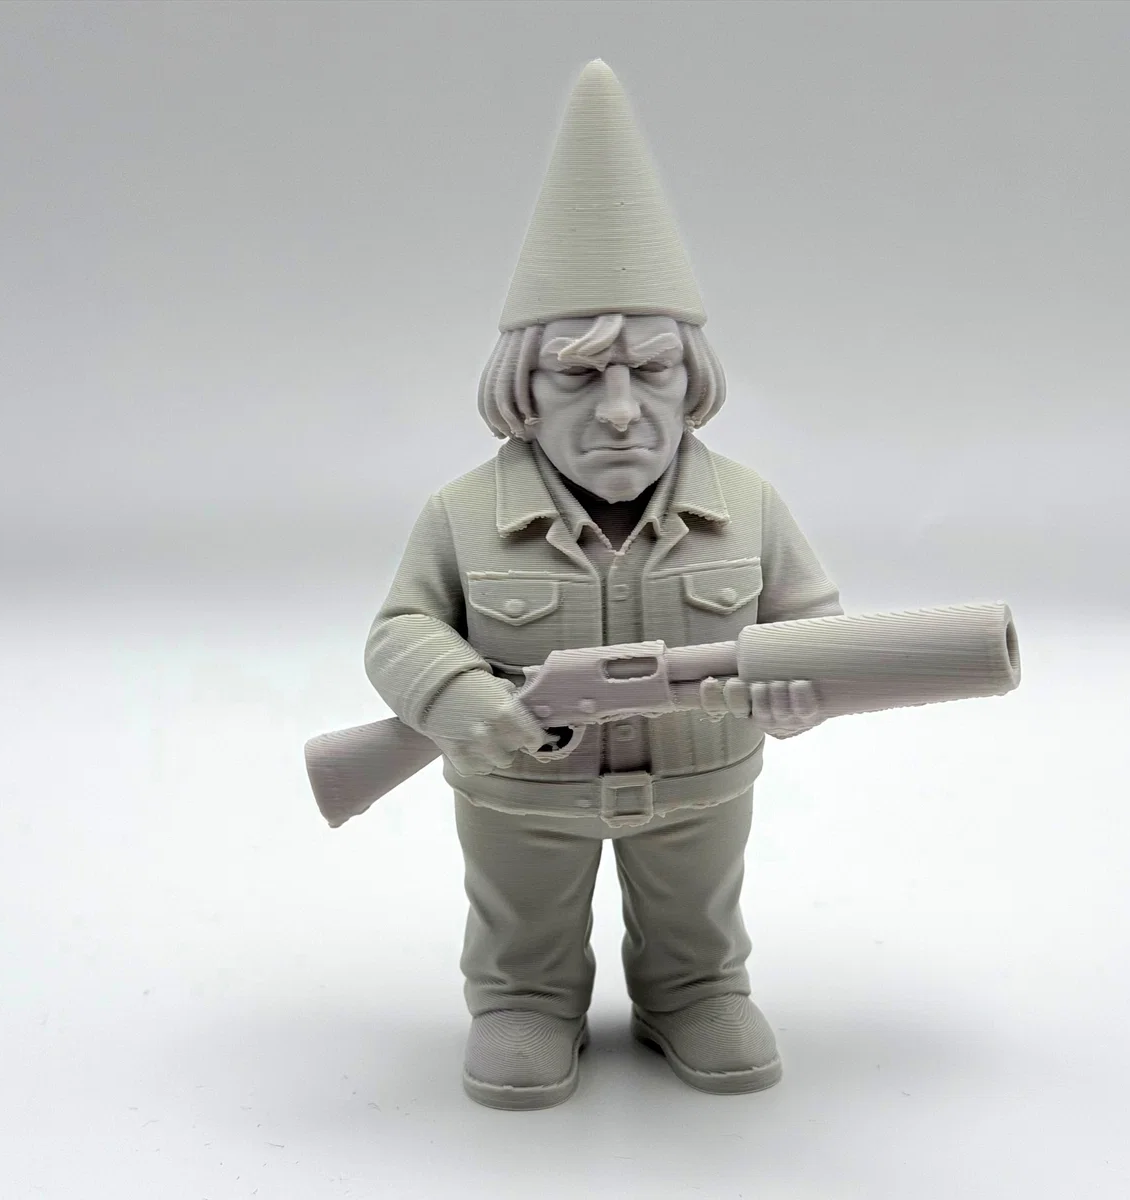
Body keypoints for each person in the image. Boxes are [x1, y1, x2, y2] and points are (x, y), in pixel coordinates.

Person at [365, 60, 841, 1110]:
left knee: (697, 917)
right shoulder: (462, 513)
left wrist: (802, 690)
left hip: (700, 786)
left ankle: (694, 994)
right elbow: (400, 627)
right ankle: (525, 1004)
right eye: (579, 375)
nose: (621, 410)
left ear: (692, 380)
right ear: (522, 390)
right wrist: (460, 698)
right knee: (520, 917)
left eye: (653, 371)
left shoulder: (750, 503)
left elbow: (814, 626)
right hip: (521, 789)